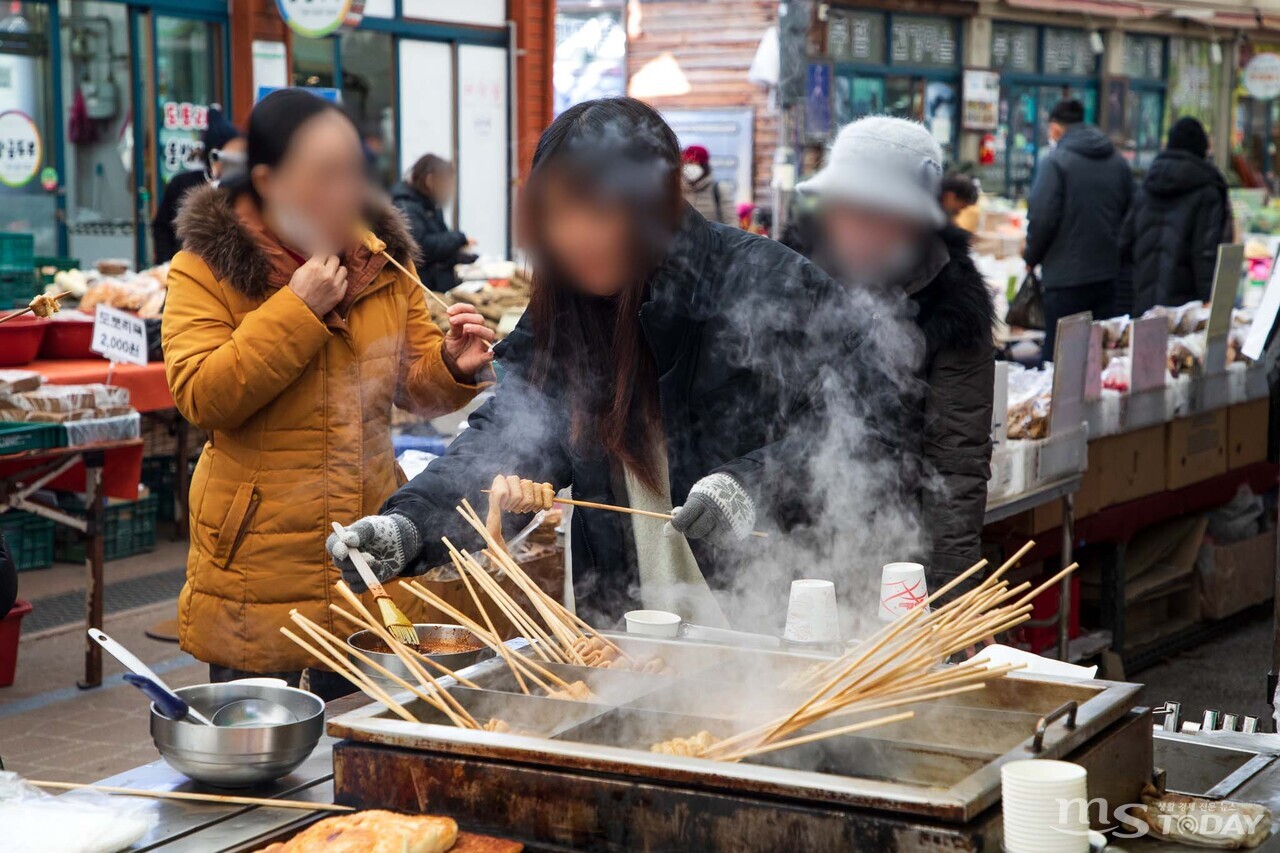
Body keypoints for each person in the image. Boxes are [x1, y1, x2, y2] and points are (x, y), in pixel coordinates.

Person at [328, 97, 868, 626]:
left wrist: (750, 485)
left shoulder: (769, 284)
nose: (574, 237)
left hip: (772, 619)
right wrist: (411, 526)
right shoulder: (566, 312)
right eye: (557, 215)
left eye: (600, 212)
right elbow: (508, 442)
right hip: (627, 627)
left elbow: (859, 429)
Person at [162, 89, 495, 698]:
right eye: (325, 173)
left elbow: (412, 387)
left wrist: (451, 365)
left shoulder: (381, 262)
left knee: (365, 752)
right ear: (268, 179)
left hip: (367, 549)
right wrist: (298, 308)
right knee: (270, 759)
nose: (348, 190)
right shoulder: (204, 266)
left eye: (354, 170)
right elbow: (201, 395)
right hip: (260, 566)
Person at [798, 116, 995, 585]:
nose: (855, 230)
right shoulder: (792, 277)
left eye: (876, 215)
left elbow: (957, 463)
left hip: (895, 554)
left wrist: (953, 591)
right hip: (792, 549)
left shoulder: (953, 304)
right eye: (844, 209)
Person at [1024, 99, 1133, 357]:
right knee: (1097, 355)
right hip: (1107, 276)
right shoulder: (1117, 162)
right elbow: (1131, 213)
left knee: (1061, 359)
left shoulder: (1055, 162)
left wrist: (1031, 257)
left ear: (1056, 129)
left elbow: (1042, 217)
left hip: (1065, 280)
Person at [1118, 117, 1232, 316]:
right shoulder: (1207, 190)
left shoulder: (1147, 185)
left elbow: (1125, 242)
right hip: (1185, 308)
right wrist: (1210, 299)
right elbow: (1205, 252)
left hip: (1144, 301)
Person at [152, 109, 245, 264]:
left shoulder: (241, 185)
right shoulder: (182, 184)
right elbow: (162, 228)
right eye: (233, 150)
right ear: (215, 152)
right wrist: (167, 262)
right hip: (184, 268)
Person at [391, 155, 475, 294]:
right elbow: (422, 247)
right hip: (425, 288)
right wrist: (459, 238)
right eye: (445, 182)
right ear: (430, 180)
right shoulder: (405, 205)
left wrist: (462, 256)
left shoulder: (431, 204)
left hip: (437, 285)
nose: (448, 189)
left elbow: (441, 237)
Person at [680, 145, 732, 226]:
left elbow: (731, 222)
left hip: (711, 237)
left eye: (694, 163)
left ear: (704, 165)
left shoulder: (718, 189)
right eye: (687, 163)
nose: (689, 167)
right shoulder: (676, 190)